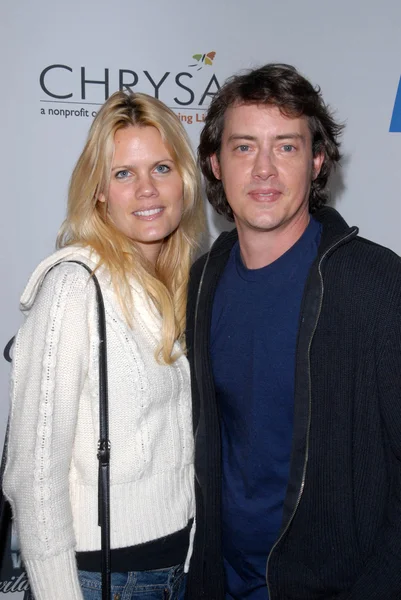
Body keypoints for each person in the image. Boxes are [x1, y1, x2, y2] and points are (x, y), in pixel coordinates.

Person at [185, 63, 401, 599]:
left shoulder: (376, 284)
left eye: (285, 147)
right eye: (243, 148)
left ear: (317, 160)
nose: (263, 170)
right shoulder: (198, 284)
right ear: (214, 164)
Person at [4, 90, 204, 600]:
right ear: (98, 191)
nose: (146, 190)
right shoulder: (75, 286)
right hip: (101, 580)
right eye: (123, 174)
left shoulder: (175, 283)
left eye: (161, 168)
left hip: (174, 570)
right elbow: (31, 471)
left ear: (184, 178)